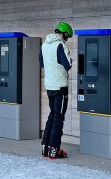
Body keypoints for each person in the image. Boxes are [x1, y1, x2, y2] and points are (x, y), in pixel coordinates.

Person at [40, 22, 74, 159]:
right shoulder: (60, 45)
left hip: (49, 86)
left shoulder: (44, 45)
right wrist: (70, 59)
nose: (67, 39)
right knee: (59, 118)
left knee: (52, 115)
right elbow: (68, 65)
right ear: (64, 34)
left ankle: (45, 147)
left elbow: (41, 63)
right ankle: (54, 149)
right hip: (60, 87)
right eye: (68, 36)